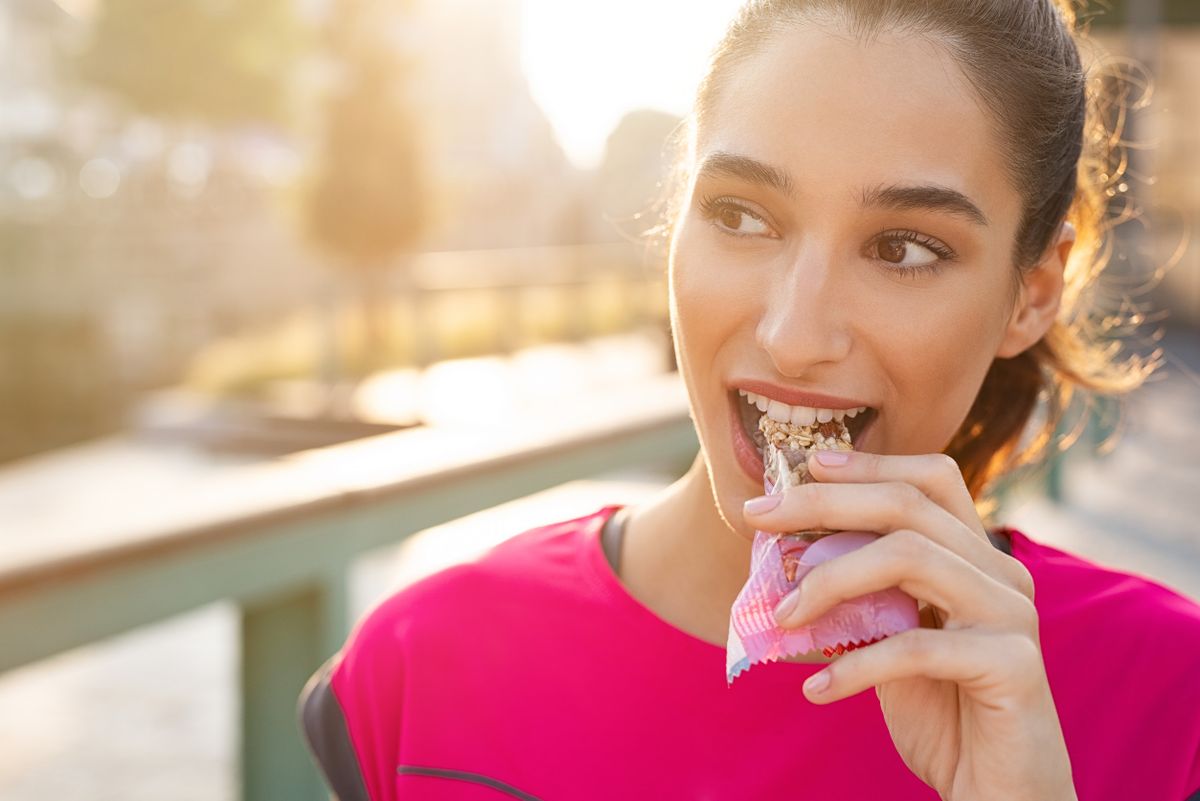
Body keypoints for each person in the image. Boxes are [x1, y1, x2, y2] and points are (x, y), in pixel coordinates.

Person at [297, 1, 1200, 799]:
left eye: (904, 248)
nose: (793, 331)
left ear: (1033, 293)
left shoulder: (1168, 704)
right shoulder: (422, 673)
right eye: (740, 215)